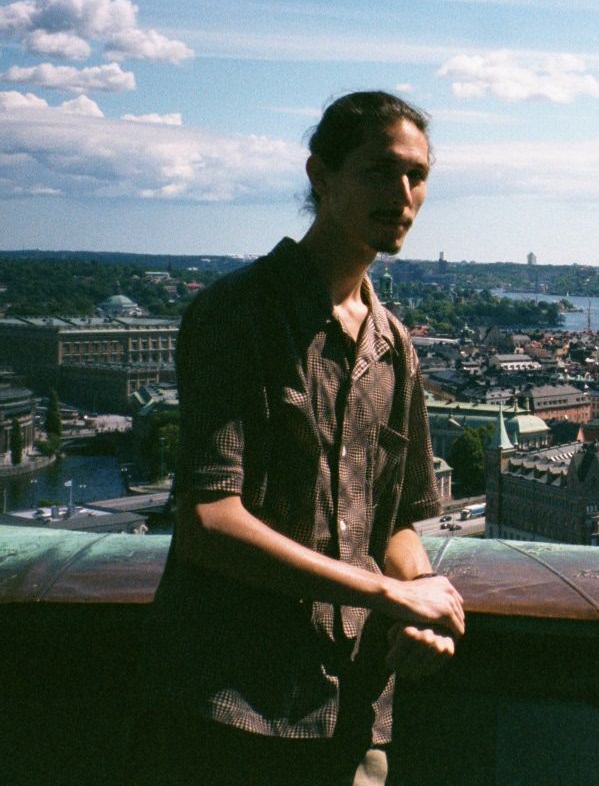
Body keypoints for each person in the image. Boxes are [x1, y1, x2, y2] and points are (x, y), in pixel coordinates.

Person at [137, 92, 463, 785]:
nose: (403, 194)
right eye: (381, 171)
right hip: (234, 709)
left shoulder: (394, 344)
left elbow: (396, 519)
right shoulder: (237, 316)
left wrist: (425, 589)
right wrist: (388, 596)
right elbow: (208, 521)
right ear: (320, 175)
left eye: (417, 176)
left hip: (354, 711)